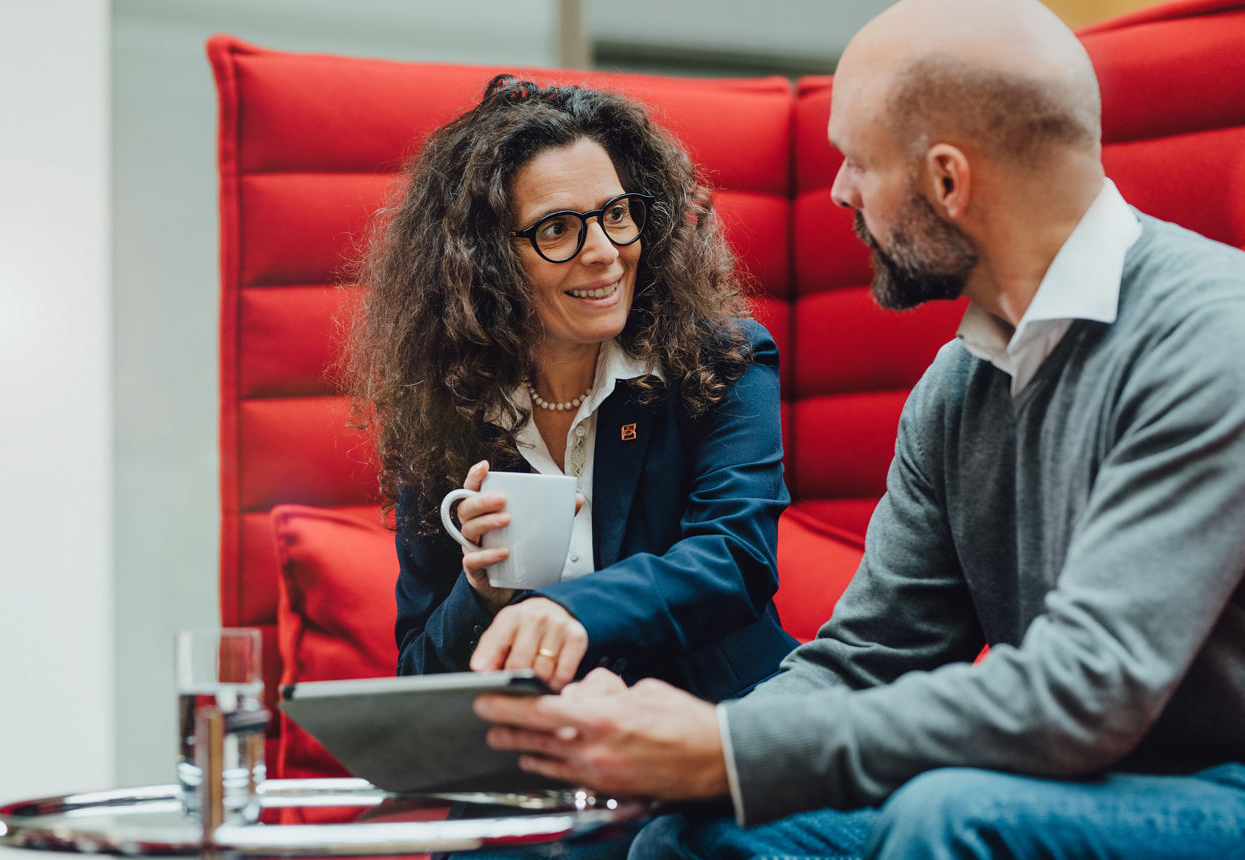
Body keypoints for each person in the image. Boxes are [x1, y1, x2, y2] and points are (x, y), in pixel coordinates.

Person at [471, 0, 1245, 857]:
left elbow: (1087, 691)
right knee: (693, 831)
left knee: (947, 819)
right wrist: (692, 757)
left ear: (948, 181)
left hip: (1218, 786)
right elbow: (867, 654)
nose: (837, 189)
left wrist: (727, 749)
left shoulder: (1213, 337)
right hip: (1054, 783)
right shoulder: (959, 388)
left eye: (858, 162)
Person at [344, 76, 797, 706]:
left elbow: (735, 561)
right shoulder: (446, 409)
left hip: (712, 726)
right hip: (537, 760)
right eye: (557, 229)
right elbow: (420, 677)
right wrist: (479, 597)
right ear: (483, 261)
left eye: (616, 215)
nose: (606, 253)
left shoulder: (723, 360)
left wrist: (567, 611)